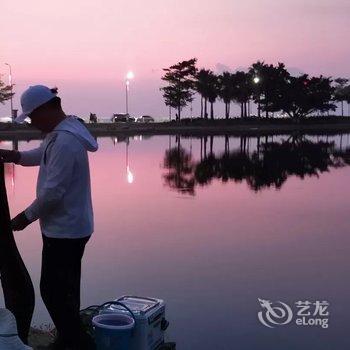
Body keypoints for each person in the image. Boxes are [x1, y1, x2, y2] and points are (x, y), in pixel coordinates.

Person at [0, 85, 98, 349]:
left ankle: (73, 341)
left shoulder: (65, 140)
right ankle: (71, 338)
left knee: (53, 291)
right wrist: (15, 156)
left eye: (32, 116)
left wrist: (25, 217)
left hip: (66, 230)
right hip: (70, 226)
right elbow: (43, 156)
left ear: (48, 108)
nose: (32, 123)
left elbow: (54, 193)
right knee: (64, 290)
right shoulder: (61, 134)